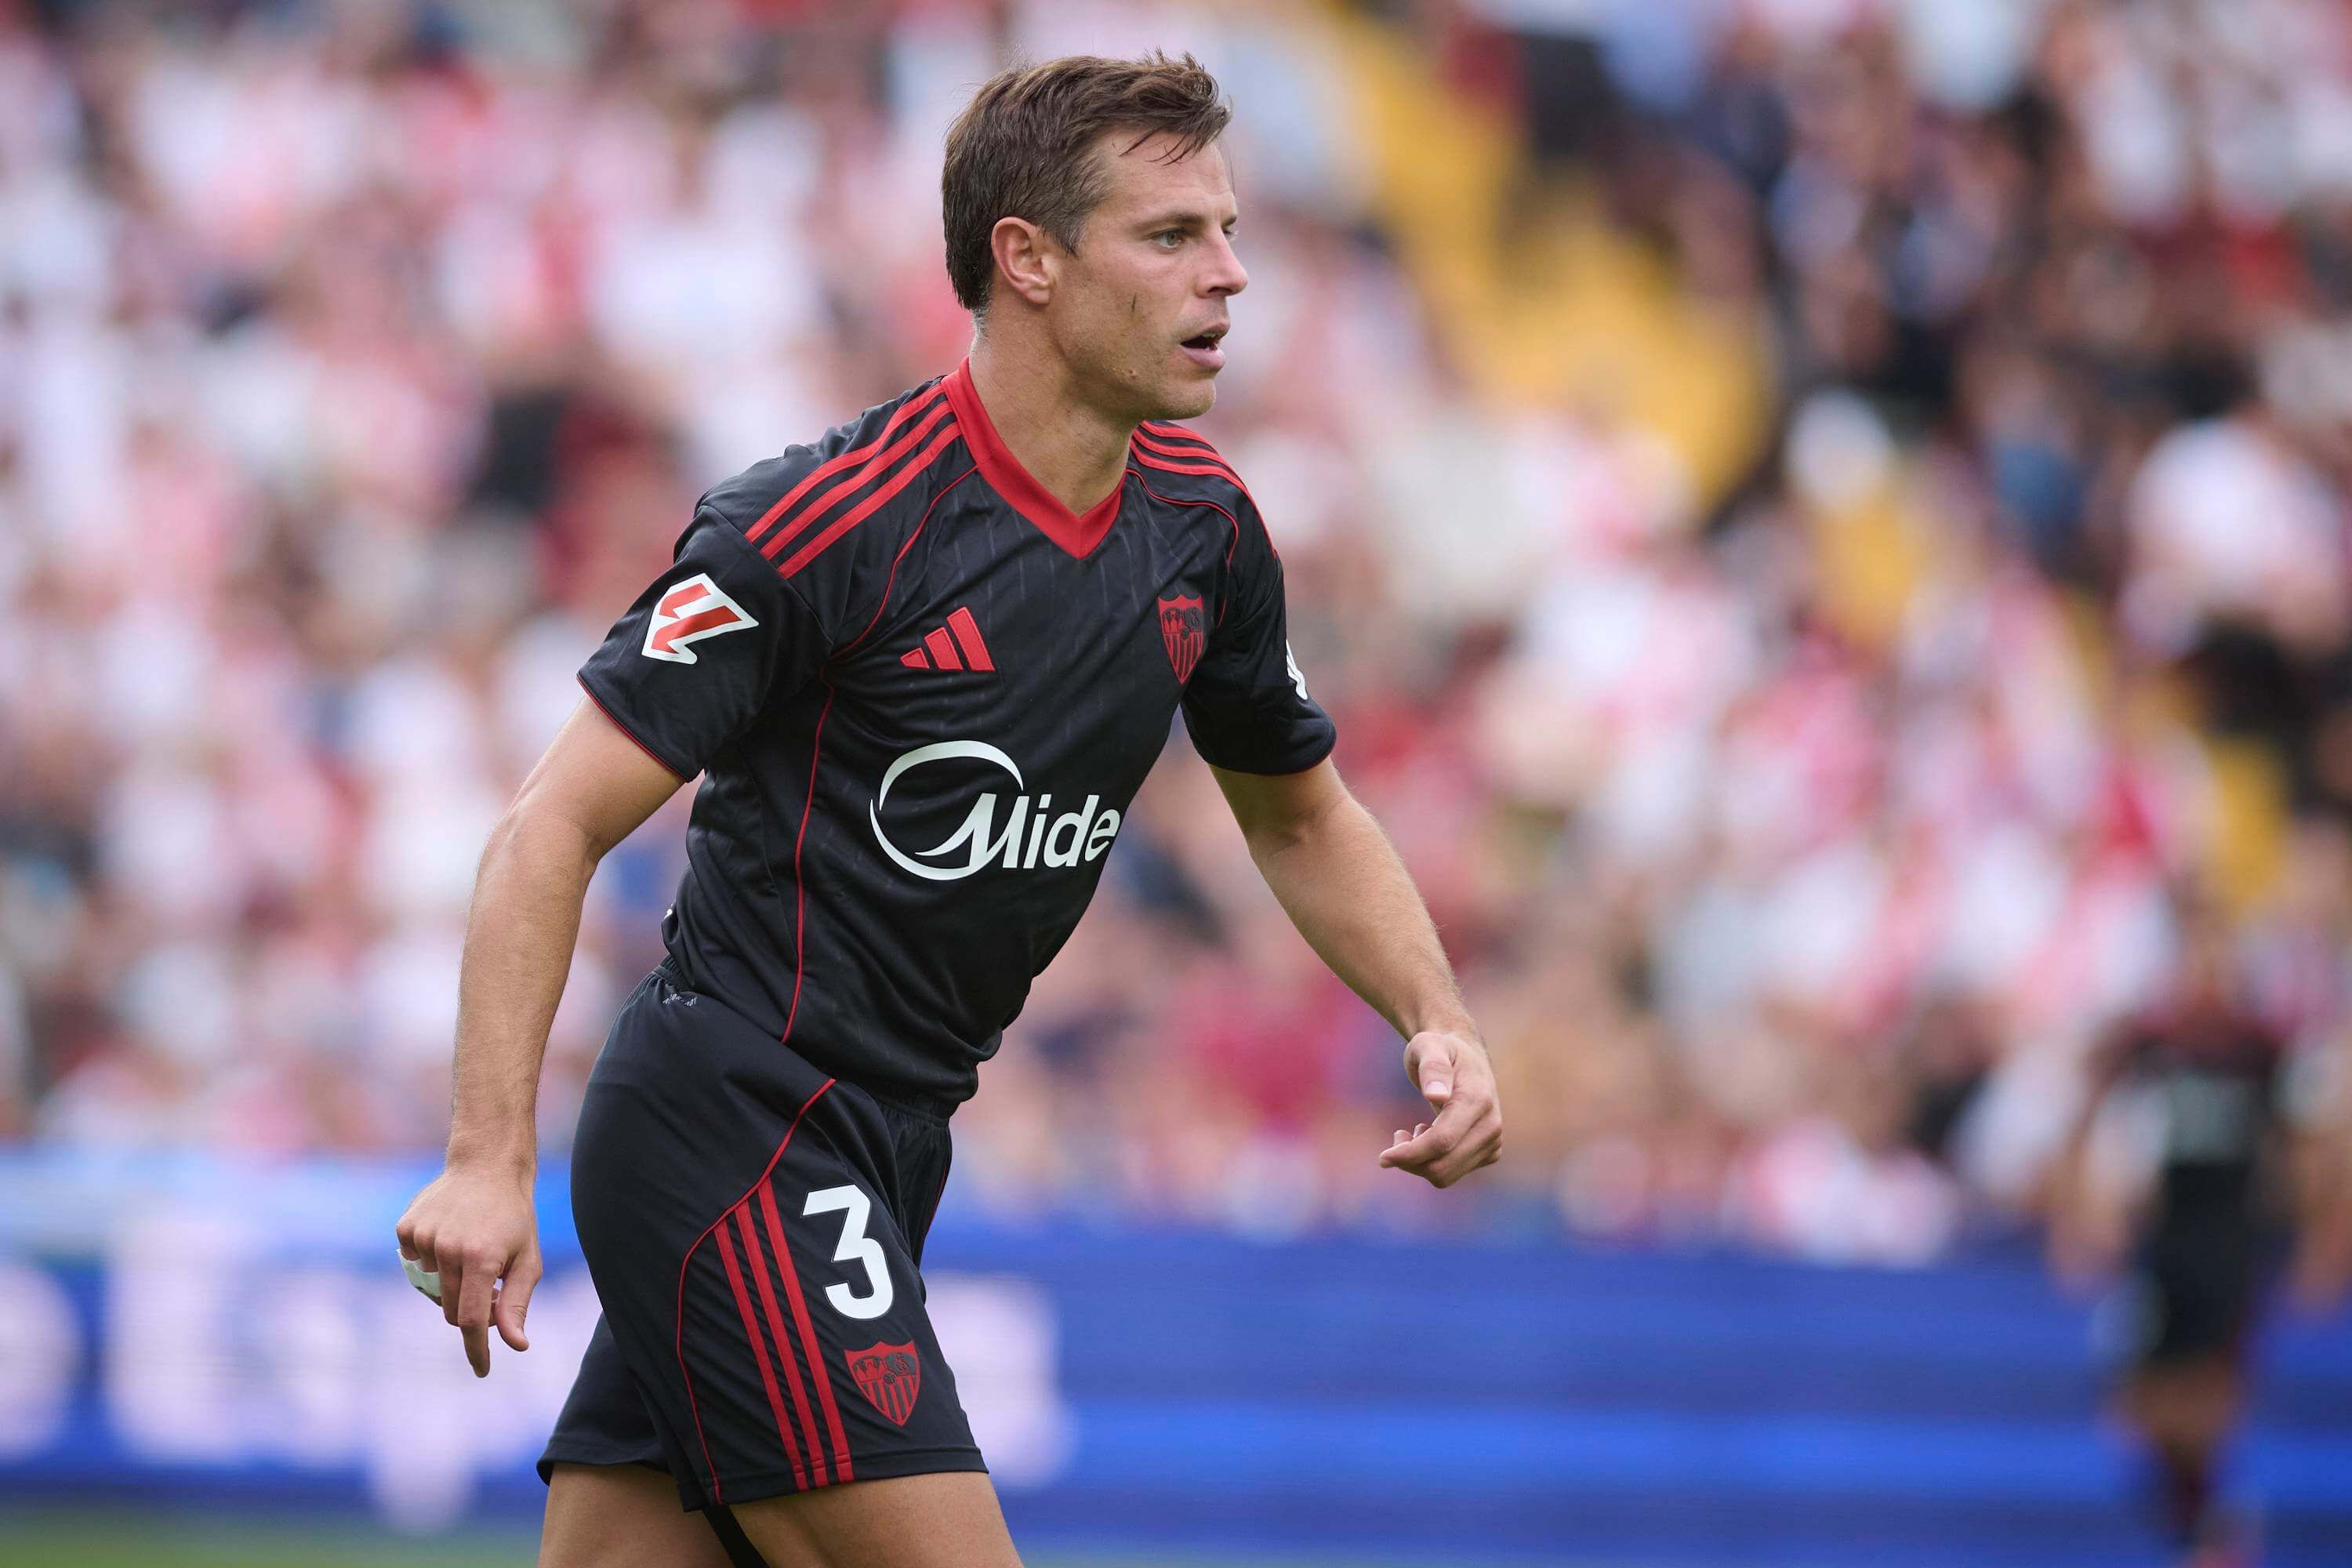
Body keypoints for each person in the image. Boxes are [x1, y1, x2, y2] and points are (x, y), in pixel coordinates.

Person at [393, 53, 1502, 1568]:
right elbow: (548, 826)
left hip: (893, 1147)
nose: (1231, 276)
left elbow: (1299, 814)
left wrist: (1431, 1011)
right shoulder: (824, 524)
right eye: (1171, 236)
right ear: (1026, 259)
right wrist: (484, 1157)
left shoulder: (1207, 532)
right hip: (734, 1128)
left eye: (1229, 231)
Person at [2047, 892, 2352, 1568]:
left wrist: (2324, 1246)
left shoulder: (2260, 1047)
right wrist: (2073, 1219)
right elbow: (2083, 1116)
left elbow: (2315, 1146)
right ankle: (2195, 1516)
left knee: (2212, 1394)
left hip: (2233, 1236)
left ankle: (2212, 1532)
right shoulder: (2148, 1040)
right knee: (2142, 1404)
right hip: (2163, 1235)